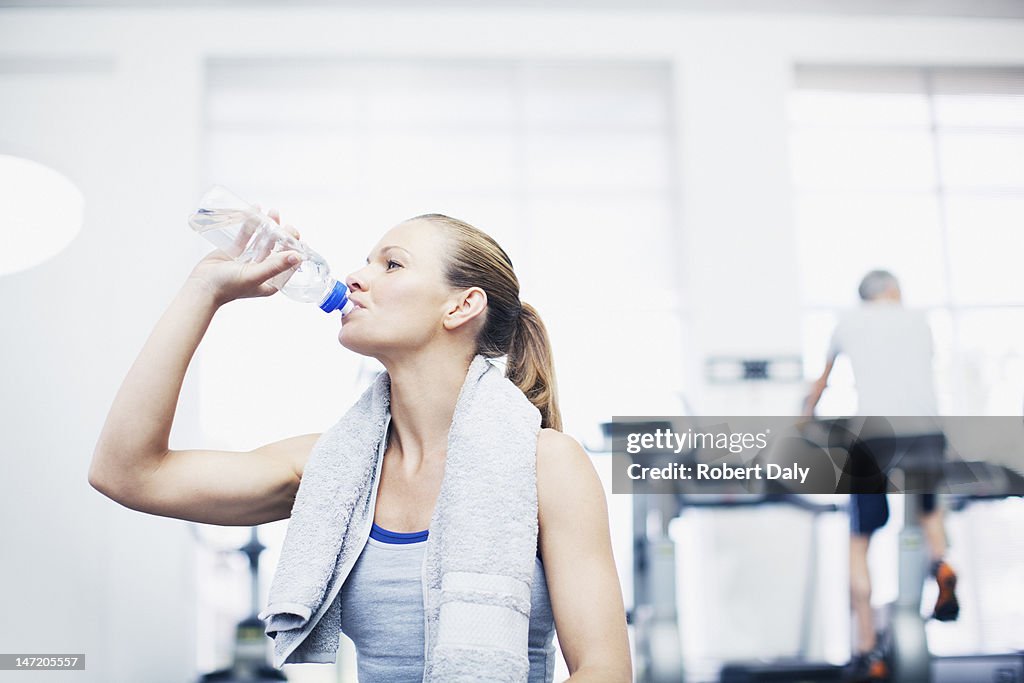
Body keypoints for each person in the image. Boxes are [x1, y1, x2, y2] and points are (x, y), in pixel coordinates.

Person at [89, 208, 632, 682]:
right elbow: (128, 473)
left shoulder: (547, 465)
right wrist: (203, 291)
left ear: (462, 306)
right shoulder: (331, 472)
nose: (354, 277)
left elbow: (605, 671)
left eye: (390, 264)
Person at [803, 269, 959, 682]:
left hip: (874, 433)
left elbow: (822, 382)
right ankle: (942, 563)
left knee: (860, 540)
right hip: (927, 432)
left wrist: (804, 420)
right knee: (928, 515)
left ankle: (867, 649)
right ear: (893, 290)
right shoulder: (920, 319)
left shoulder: (847, 321)